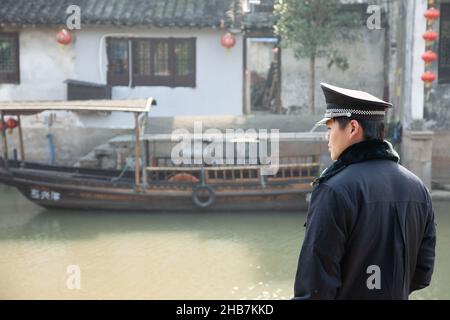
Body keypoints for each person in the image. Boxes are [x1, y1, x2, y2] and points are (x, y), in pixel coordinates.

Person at [293, 83, 436, 299]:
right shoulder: (418, 189)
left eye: (330, 128)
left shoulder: (334, 190)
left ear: (352, 128)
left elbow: (314, 286)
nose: (327, 137)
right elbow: (422, 272)